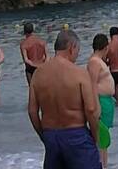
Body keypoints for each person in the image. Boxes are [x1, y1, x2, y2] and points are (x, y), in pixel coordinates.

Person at [28, 29, 102, 169]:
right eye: (77, 50)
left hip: (51, 135)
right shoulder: (79, 73)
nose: (77, 54)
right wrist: (95, 137)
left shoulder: (38, 74)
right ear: (71, 48)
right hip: (76, 135)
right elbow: (91, 110)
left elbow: (32, 111)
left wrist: (44, 136)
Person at [87, 34, 115, 168]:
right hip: (100, 101)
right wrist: (96, 105)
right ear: (106, 47)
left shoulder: (98, 60)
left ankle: (104, 164)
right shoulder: (94, 62)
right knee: (102, 136)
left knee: (104, 135)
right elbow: (91, 84)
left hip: (106, 100)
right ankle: (102, 165)